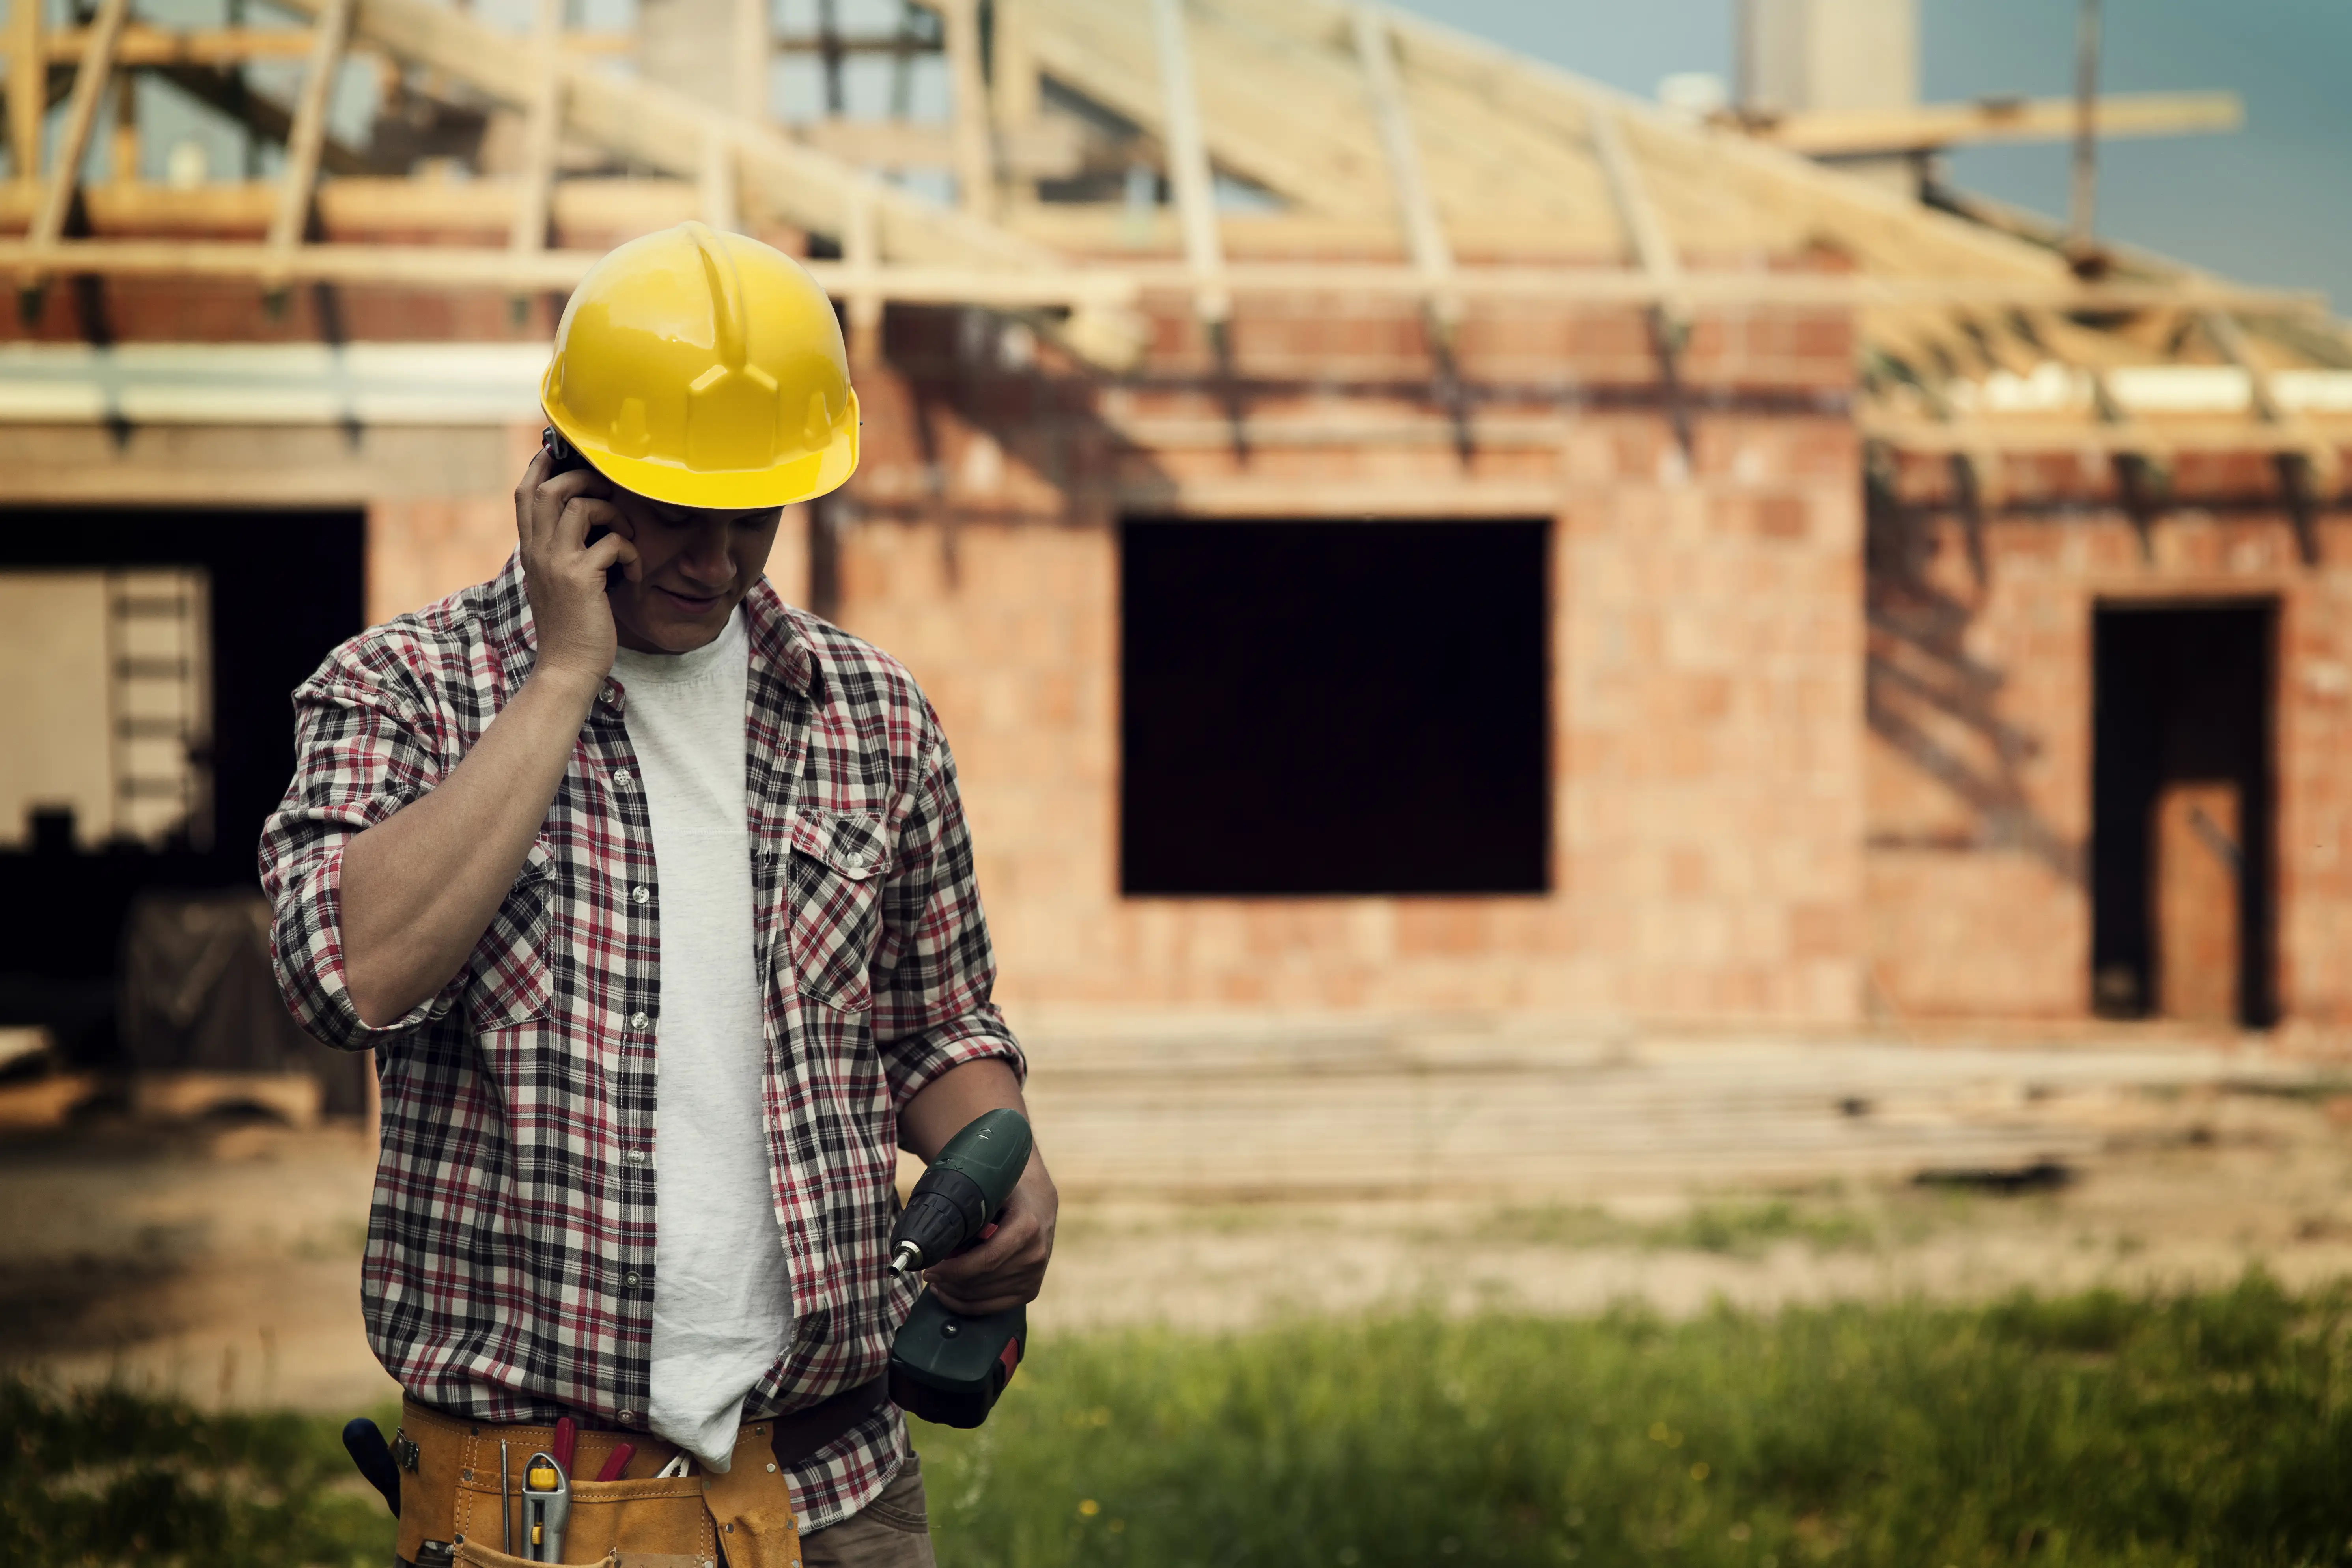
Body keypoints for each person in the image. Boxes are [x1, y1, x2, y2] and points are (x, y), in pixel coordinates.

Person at [260, 222, 1053, 1568]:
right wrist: (563, 673)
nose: (723, 559)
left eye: (760, 513)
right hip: (536, 1512)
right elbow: (347, 974)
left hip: (837, 1492)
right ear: (565, 476)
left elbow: (935, 1025)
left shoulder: (869, 717)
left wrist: (1009, 1163)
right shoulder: (403, 693)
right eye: (682, 511)